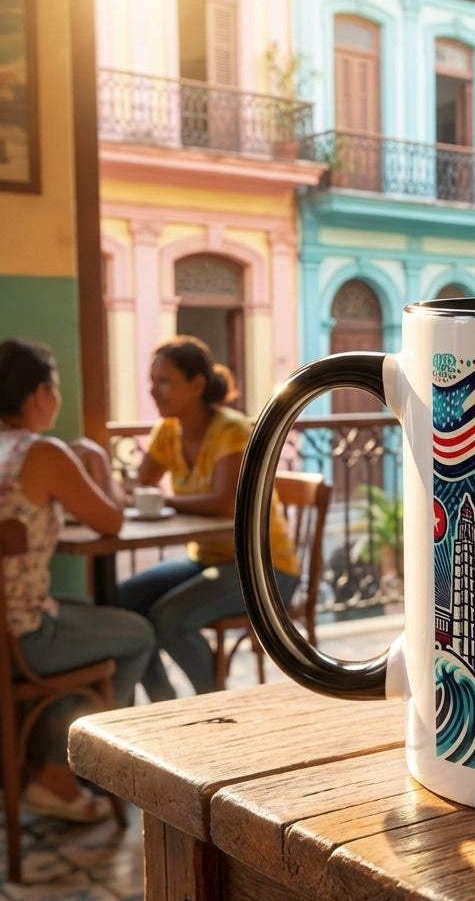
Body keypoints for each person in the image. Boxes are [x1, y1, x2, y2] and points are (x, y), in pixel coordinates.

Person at [0, 338, 155, 823]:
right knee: (137, 633)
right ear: (40, 394)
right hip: (25, 636)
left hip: (7, 627)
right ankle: (73, 768)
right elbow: (111, 521)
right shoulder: (41, 453)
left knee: (85, 616)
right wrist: (100, 463)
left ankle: (55, 763)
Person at [118, 336, 299, 702]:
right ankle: (163, 703)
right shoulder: (168, 431)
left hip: (264, 567)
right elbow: (140, 485)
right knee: (123, 600)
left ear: (197, 384)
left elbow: (224, 504)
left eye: (164, 381)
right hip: (208, 558)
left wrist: (162, 501)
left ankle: (214, 707)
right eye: (152, 381)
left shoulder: (232, 429)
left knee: (169, 618)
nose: (153, 391)